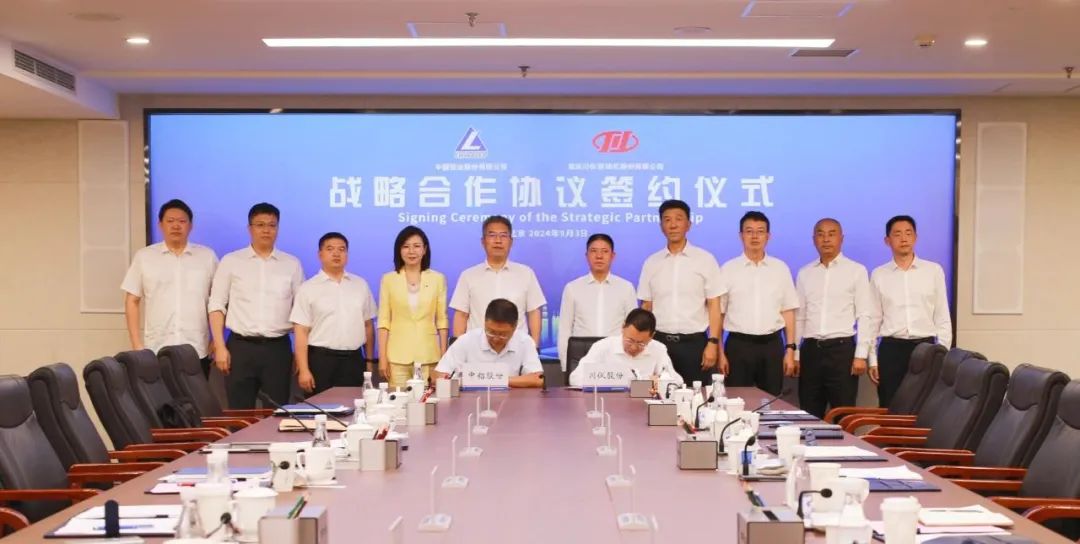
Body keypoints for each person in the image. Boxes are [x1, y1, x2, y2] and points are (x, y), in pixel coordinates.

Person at [208, 202, 304, 408]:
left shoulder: (291, 264)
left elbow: (301, 313)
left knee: (277, 413)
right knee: (239, 412)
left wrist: (300, 353)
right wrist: (220, 346)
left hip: (277, 349)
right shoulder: (231, 261)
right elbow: (216, 305)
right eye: (260, 225)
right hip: (240, 348)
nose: (266, 230)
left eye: (272, 225)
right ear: (249, 228)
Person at [121, 199, 218, 377]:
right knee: (160, 396)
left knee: (196, 396)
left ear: (190, 226)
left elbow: (219, 302)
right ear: (160, 225)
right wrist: (136, 345)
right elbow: (132, 300)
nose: (176, 226)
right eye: (170, 221)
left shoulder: (207, 257)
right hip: (156, 349)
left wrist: (217, 341)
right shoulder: (145, 257)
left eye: (182, 221)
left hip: (197, 349)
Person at [638, 199, 725, 386]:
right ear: (661, 226)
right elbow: (646, 306)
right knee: (656, 395)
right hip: (659, 344)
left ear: (688, 224)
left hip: (694, 345)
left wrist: (713, 342)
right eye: (667, 220)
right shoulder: (652, 263)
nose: (673, 225)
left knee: (697, 397)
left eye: (678, 219)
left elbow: (714, 305)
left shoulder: (705, 260)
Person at [868, 215, 952, 408]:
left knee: (925, 407)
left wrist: (942, 355)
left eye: (908, 233)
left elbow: (942, 316)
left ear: (915, 237)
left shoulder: (933, 271)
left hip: (926, 348)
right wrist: (872, 359)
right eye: (897, 234)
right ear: (887, 240)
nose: (904, 239)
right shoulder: (879, 274)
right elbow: (873, 319)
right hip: (891, 349)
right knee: (890, 406)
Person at [795, 218, 873, 418]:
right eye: (821, 234)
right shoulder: (805, 273)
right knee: (809, 413)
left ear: (841, 238)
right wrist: (795, 354)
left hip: (842, 352)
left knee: (843, 415)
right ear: (814, 239)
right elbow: (800, 317)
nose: (826, 239)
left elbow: (865, 315)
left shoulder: (856, 271)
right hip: (811, 351)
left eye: (832, 234)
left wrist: (861, 354)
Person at [720, 211, 799, 396]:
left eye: (760, 231)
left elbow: (788, 311)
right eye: (749, 231)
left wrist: (790, 350)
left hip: (771, 346)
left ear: (768, 236)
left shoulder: (780, 268)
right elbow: (719, 313)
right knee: (736, 401)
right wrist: (720, 352)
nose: (754, 236)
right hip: (738, 346)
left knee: (770, 402)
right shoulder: (728, 269)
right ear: (741, 235)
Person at [290, 232, 376, 396]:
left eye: (341, 249)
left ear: (347, 254)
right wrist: (304, 369)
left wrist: (369, 361)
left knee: (354, 408)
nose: (336, 254)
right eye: (330, 249)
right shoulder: (308, 288)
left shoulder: (360, 285)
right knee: (321, 409)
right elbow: (301, 331)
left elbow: (368, 325)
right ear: (320, 254)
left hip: (353, 361)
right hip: (320, 361)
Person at [449, 216, 546, 346]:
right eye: (492, 235)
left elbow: (534, 313)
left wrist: (534, 347)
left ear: (511, 242)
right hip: (477, 349)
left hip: (517, 349)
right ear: (483, 241)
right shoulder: (468, 276)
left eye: (503, 236)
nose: (498, 241)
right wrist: (459, 349)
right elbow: (461, 315)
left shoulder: (526, 273)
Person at [377, 226, 449, 389]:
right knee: (398, 400)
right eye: (406, 246)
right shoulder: (388, 279)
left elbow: (442, 320)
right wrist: (382, 358)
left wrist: (444, 357)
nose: (411, 251)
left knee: (427, 401)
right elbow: (384, 321)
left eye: (416, 246)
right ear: (399, 250)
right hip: (397, 356)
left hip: (429, 354)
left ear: (425, 250)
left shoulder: (438, 279)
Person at [557, 233, 638, 372]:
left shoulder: (626, 288)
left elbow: (632, 329)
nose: (599, 256)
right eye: (594, 251)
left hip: (617, 359)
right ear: (586, 255)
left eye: (605, 251)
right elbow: (565, 330)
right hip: (582, 359)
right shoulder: (572, 288)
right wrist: (567, 366)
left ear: (613, 256)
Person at [433, 299, 544, 388]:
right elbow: (437, 376)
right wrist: (465, 382)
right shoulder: (466, 340)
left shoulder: (524, 342)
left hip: (511, 402)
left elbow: (538, 379)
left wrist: (495, 380)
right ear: (485, 323)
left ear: (515, 327)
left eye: (503, 334)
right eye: (491, 332)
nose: (496, 339)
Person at [568, 308, 682, 387]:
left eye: (641, 344)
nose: (634, 347)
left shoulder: (658, 349)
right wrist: (609, 381)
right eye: (629, 340)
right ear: (623, 328)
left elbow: (677, 381)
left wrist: (662, 381)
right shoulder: (603, 347)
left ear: (651, 336)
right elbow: (575, 378)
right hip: (609, 405)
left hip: (643, 408)